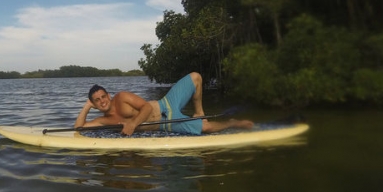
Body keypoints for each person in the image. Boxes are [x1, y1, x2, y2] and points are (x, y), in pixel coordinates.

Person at [74, 72, 254, 136]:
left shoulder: (121, 97)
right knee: (205, 130)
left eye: (103, 96)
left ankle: (199, 113)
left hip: (166, 102)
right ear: (94, 104)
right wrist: (86, 106)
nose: (102, 101)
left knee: (196, 77)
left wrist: (133, 124)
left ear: (109, 95)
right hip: (167, 122)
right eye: (97, 100)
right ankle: (233, 123)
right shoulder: (104, 121)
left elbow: (145, 107)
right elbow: (79, 129)